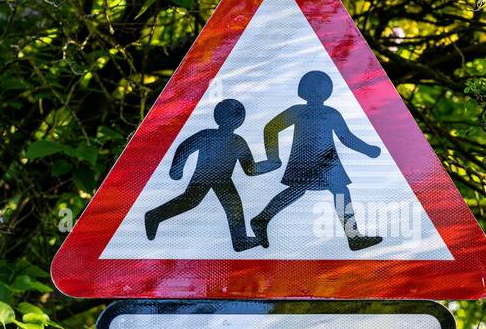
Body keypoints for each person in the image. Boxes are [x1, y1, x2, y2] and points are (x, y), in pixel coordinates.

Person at [251, 70, 384, 251]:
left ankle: (261, 219)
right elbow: (271, 128)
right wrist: (273, 158)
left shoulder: (320, 113)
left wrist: (369, 150)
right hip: (311, 161)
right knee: (328, 191)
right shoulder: (311, 112)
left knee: (312, 190)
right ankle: (261, 219)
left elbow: (346, 137)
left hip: (324, 162)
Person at [143, 99, 277, 251]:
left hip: (220, 179)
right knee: (192, 201)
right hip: (205, 176)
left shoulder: (233, 140)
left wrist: (269, 165)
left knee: (232, 205)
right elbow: (185, 147)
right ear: (241, 120)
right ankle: (153, 216)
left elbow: (250, 168)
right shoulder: (219, 137)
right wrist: (176, 169)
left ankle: (240, 240)